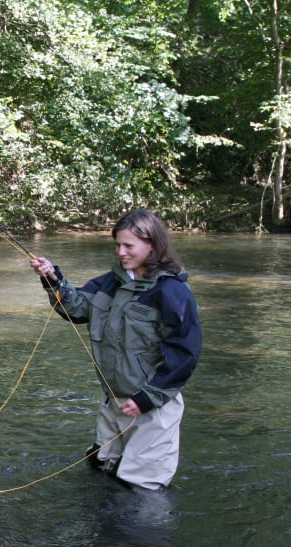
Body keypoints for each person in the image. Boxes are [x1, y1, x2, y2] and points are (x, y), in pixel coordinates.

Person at [30, 210, 202, 490]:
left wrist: (147, 398)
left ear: (152, 246)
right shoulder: (110, 282)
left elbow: (186, 353)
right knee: (102, 471)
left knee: (141, 489)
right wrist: (51, 277)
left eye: (129, 246)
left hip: (152, 407)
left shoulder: (172, 292)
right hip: (114, 401)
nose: (121, 252)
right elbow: (74, 309)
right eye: (118, 245)